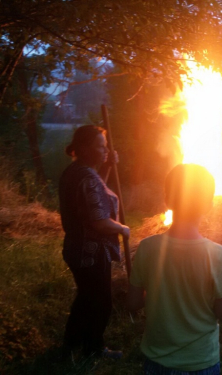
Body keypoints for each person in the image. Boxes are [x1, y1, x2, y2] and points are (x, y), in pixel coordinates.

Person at [127, 163, 222, 375]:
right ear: (209, 205)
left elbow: (132, 302)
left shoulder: (147, 247)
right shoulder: (218, 254)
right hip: (201, 361)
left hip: (157, 361)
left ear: (166, 200)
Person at [59, 125, 129, 358]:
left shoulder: (76, 171)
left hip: (75, 247)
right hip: (91, 251)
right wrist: (122, 228)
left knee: (86, 296)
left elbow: (96, 195)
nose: (105, 150)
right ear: (85, 148)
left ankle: (71, 342)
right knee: (101, 301)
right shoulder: (87, 177)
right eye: (100, 146)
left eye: (105, 145)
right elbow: (99, 221)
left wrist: (107, 167)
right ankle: (94, 348)